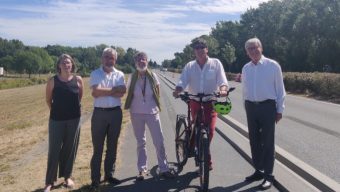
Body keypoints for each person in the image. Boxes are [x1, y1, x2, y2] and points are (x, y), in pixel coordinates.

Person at [173, 38, 229, 170]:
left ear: (206, 49)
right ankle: (204, 158)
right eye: (196, 48)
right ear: (194, 51)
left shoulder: (215, 63)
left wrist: (223, 89)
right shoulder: (190, 66)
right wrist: (178, 90)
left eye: (201, 47)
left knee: (210, 131)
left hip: (210, 102)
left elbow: (222, 80)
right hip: (195, 102)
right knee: (197, 128)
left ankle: (200, 150)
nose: (199, 50)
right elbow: (183, 81)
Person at [242, 37, 286, 190]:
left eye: (255, 47)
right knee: (254, 141)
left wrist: (280, 109)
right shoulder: (246, 68)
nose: (253, 51)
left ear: (261, 48)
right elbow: (245, 89)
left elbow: (280, 89)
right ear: (247, 53)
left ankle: (269, 175)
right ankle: (258, 170)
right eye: (250, 49)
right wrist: (245, 105)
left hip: (267, 107)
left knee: (267, 143)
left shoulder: (273, 66)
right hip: (251, 107)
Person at [124, 52, 175, 181]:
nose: (142, 62)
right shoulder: (132, 77)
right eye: (139, 60)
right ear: (135, 63)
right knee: (141, 142)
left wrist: (154, 104)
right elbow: (128, 92)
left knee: (159, 141)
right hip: (136, 113)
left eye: (144, 59)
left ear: (147, 61)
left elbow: (157, 90)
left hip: (152, 112)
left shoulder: (153, 76)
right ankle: (142, 169)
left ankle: (164, 168)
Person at [44, 54, 84, 192]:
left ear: (72, 65)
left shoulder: (78, 80)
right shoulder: (53, 81)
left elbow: (79, 98)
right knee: (54, 150)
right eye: (64, 63)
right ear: (59, 65)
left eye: (69, 63)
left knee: (70, 149)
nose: (67, 65)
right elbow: (48, 100)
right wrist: (56, 111)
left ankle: (67, 177)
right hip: (56, 120)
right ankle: (49, 182)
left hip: (74, 119)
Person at [89, 47, 126, 189]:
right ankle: (95, 179)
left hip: (115, 113)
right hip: (100, 114)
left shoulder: (120, 74)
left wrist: (105, 91)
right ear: (102, 58)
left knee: (112, 146)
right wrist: (113, 90)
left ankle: (109, 175)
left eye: (111, 57)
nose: (108, 60)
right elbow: (96, 92)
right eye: (106, 57)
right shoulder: (95, 73)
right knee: (97, 148)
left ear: (115, 59)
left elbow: (122, 92)